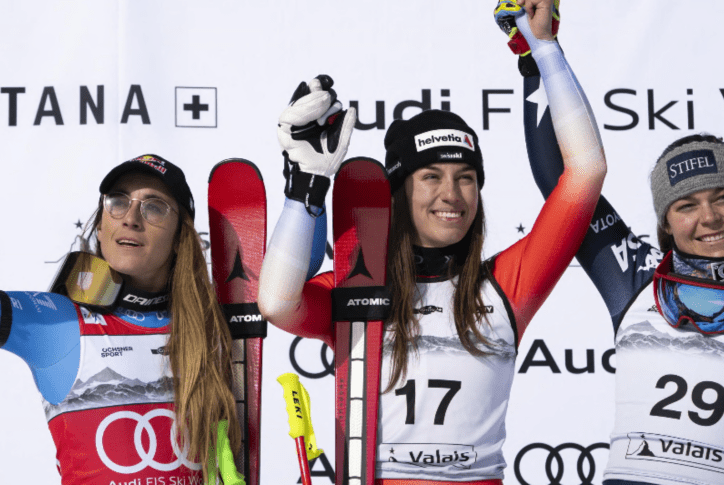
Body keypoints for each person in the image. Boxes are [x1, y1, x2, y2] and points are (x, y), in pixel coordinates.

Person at [257, 1, 606, 482]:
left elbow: (586, 171)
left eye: (466, 177)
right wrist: (307, 188)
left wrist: (544, 48)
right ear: (399, 192)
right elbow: (277, 303)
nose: (452, 194)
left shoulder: (505, 286)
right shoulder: (357, 291)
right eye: (431, 176)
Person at [502, 16, 724, 484]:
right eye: (686, 206)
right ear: (665, 221)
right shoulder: (633, 279)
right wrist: (538, 51)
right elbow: (561, 178)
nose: (710, 218)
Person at [0, 116, 248, 484]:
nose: (131, 218)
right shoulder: (59, 323)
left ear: (181, 237)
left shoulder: (210, 330)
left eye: (154, 207)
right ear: (100, 226)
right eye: (117, 202)